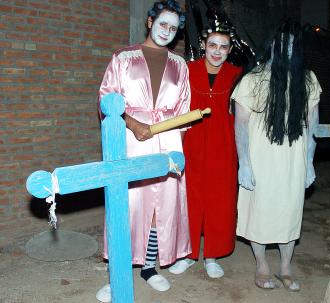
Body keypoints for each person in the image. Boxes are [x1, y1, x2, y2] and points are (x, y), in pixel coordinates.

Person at [96, 1, 190, 301]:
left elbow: (183, 109)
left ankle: (150, 267)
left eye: (173, 28)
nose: (167, 31)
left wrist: (175, 144)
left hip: (168, 138)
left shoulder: (180, 65)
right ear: (150, 22)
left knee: (159, 208)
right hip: (131, 137)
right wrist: (132, 122)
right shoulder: (123, 57)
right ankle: (118, 274)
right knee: (128, 206)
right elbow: (106, 99)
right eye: (163, 24)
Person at [232, 21, 322, 291]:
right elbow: (241, 126)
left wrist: (308, 163)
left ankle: (285, 266)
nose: (287, 48)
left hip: (292, 161)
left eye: (293, 44)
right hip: (260, 159)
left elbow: (312, 126)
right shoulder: (253, 80)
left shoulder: (307, 80)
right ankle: (261, 265)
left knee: (289, 211)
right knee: (259, 211)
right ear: (272, 46)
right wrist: (244, 164)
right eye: (283, 43)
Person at [168, 12, 242, 278]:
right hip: (192, 145)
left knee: (220, 200)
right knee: (188, 197)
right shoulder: (187, 71)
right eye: (212, 45)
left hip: (224, 147)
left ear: (230, 49)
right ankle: (187, 254)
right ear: (203, 45)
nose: (217, 51)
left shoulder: (237, 75)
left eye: (223, 47)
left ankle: (212, 254)